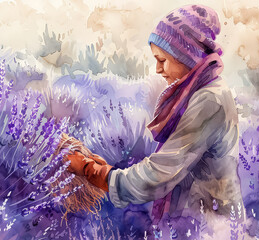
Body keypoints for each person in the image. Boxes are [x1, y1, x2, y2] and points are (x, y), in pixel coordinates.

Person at [65, 4, 243, 222]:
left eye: (162, 60)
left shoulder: (209, 99)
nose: (158, 70)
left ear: (186, 56)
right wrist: (103, 170)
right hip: (197, 222)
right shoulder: (201, 92)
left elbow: (160, 173)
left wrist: (90, 170)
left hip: (211, 226)